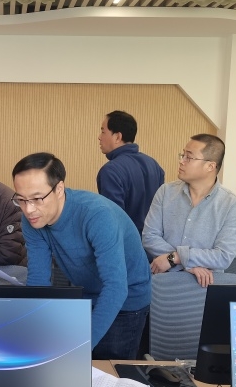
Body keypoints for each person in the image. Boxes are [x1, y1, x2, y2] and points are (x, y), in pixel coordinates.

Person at [12, 152, 151, 360]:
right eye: (21, 200)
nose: (29, 209)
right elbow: (38, 281)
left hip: (127, 298)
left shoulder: (96, 215)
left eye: (37, 198)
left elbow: (116, 288)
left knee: (105, 368)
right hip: (87, 294)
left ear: (59, 189)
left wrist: (80, 347)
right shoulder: (32, 220)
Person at [142, 134, 236, 288]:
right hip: (164, 283)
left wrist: (175, 258)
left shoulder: (233, 205)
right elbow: (149, 236)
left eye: (189, 157)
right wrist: (188, 265)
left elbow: (223, 256)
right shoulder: (165, 192)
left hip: (204, 287)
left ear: (210, 166)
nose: (181, 161)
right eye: (182, 155)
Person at [97, 110, 165, 234]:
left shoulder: (110, 171)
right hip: (153, 241)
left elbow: (114, 219)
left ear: (117, 137)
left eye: (103, 131)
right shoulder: (154, 165)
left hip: (127, 241)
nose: (99, 137)